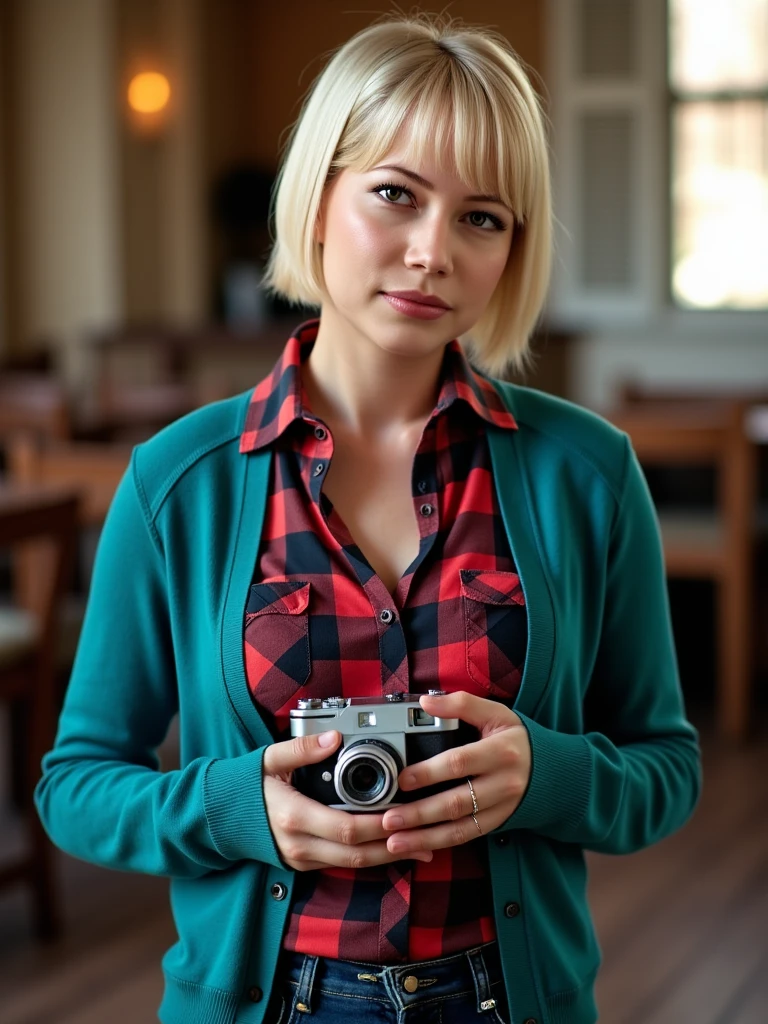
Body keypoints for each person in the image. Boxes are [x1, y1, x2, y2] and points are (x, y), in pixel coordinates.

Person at [35, 13, 701, 1024]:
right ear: (316, 201)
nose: (433, 250)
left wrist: (549, 774)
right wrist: (237, 805)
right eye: (395, 194)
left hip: (511, 999)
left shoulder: (589, 475)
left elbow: (668, 766)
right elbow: (75, 784)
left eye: (483, 217)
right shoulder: (179, 483)